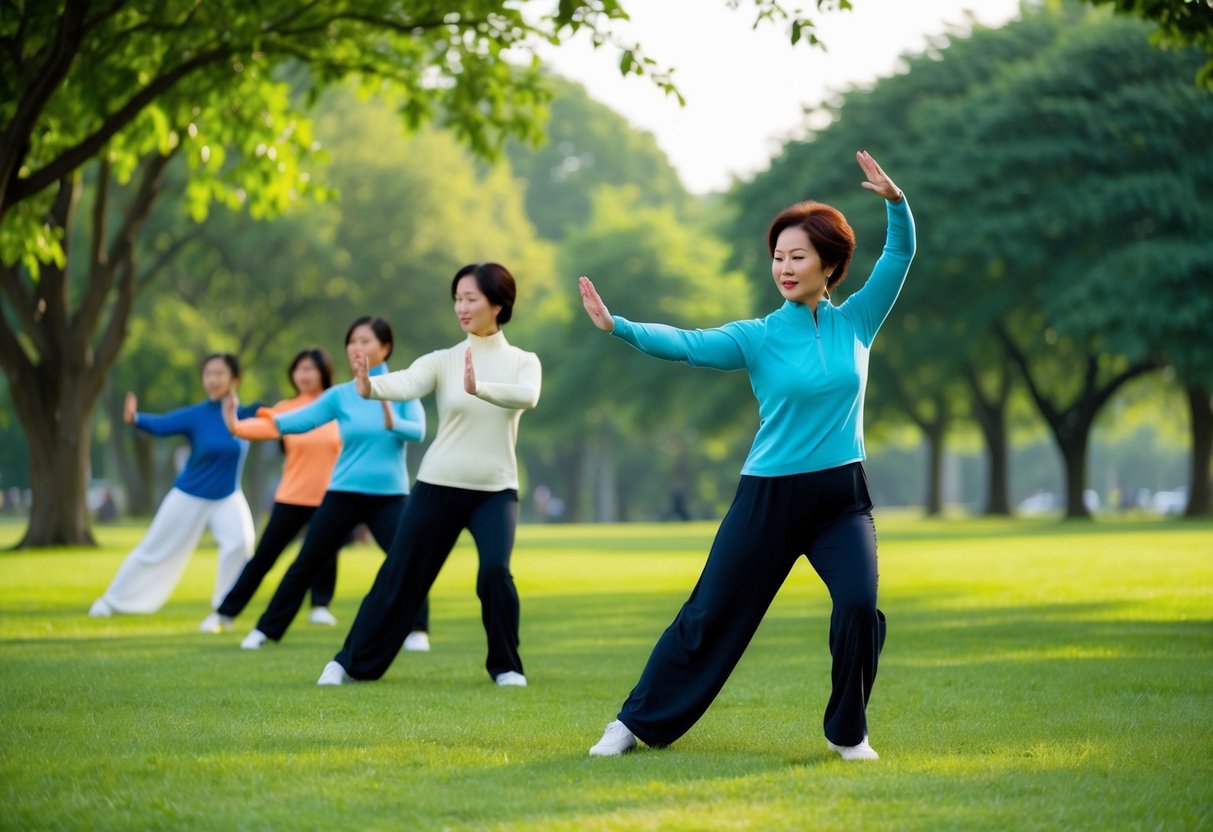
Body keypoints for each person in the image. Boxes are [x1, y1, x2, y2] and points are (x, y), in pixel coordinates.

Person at [580, 151, 914, 761]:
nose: (784, 267)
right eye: (778, 257)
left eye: (797, 257)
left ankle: (848, 732)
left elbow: (900, 256)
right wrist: (619, 326)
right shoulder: (757, 336)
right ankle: (631, 724)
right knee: (710, 613)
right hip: (769, 496)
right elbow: (686, 344)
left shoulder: (858, 323)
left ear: (830, 266)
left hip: (842, 498)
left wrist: (896, 202)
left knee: (860, 607)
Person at [316, 262, 541, 688]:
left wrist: (481, 388)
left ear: (498, 303)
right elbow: (406, 382)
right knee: (400, 573)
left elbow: (528, 397)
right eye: (457, 298)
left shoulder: (523, 361)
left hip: (495, 490)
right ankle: (349, 662)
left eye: (470, 298)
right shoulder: (444, 360)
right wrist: (369, 387)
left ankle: (507, 667)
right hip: (438, 484)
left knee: (495, 571)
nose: (461, 306)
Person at [231, 316, 431, 651]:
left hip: (389, 495)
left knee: (407, 558)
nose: (356, 347)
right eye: (352, 341)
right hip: (344, 493)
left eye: (365, 341)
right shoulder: (340, 395)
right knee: (306, 561)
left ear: (385, 347)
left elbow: (419, 431)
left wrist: (392, 420)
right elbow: (290, 422)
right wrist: (239, 427)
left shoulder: (402, 386)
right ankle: (266, 630)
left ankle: (417, 629)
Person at [89, 354, 260, 622]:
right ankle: (111, 601)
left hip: (228, 496)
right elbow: (162, 424)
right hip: (189, 494)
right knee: (153, 549)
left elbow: (283, 416)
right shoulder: (196, 415)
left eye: (219, 373)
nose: (213, 380)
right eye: (208, 374)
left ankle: (222, 610)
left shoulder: (249, 413)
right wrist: (135, 418)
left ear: (235, 379)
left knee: (240, 543)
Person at [199, 348, 343, 633]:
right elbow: (263, 427)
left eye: (310, 369)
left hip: (331, 495)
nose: (304, 375)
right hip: (292, 495)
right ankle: (225, 613)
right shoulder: (285, 408)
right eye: (299, 369)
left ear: (324, 372)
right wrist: (235, 425)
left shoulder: (337, 404)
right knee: (264, 558)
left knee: (325, 554)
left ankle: (320, 607)